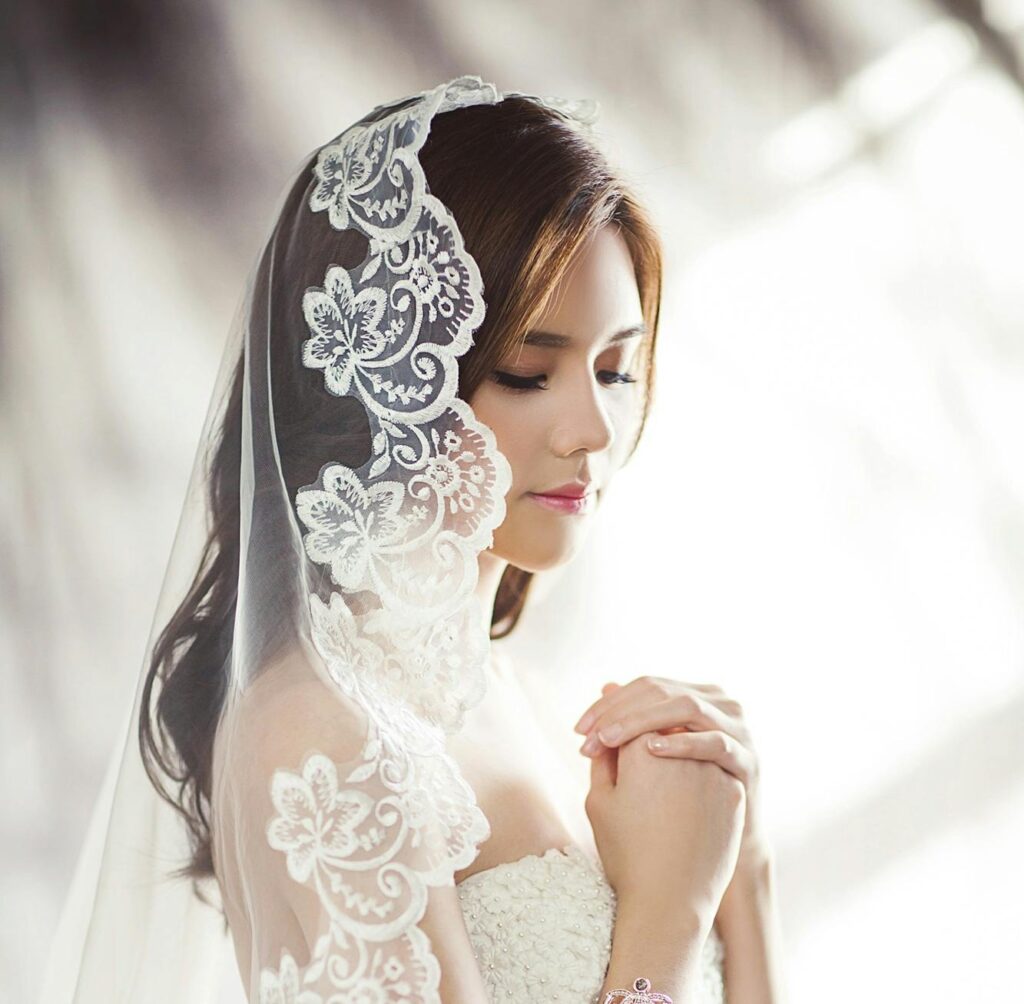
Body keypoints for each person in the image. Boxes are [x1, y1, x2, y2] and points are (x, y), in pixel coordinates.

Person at [41, 76, 784, 1004]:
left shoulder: (529, 700)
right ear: (387, 381)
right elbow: (656, 942)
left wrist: (744, 875)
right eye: (526, 371)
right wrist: (671, 916)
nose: (593, 427)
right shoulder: (317, 730)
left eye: (616, 367)